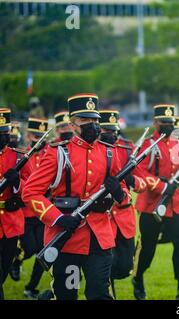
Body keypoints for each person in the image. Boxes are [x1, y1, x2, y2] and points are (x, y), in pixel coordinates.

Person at [22, 93, 131, 300]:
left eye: (94, 120)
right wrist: (57, 218)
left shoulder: (110, 153)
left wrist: (119, 193)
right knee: (67, 294)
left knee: (99, 294)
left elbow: (125, 196)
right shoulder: (58, 153)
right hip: (67, 237)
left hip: (100, 237)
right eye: (85, 120)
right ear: (72, 125)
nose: (92, 124)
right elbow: (31, 192)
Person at [132, 104, 179, 300]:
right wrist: (160, 186)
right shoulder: (149, 145)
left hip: (178, 201)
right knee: (148, 246)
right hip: (152, 203)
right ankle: (138, 277)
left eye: (170, 122)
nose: (167, 125)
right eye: (163, 122)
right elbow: (138, 170)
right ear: (155, 122)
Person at [98, 109, 146, 298]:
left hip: (124, 217)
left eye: (114, 131)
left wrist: (132, 180)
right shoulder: (93, 153)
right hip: (102, 218)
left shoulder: (127, 149)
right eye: (107, 131)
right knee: (105, 267)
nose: (112, 135)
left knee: (125, 267)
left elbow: (143, 185)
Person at [19, 117, 49, 299]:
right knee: (29, 249)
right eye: (35, 135)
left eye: (42, 136)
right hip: (25, 213)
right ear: (29, 135)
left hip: (42, 213)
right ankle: (16, 259)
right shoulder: (22, 155)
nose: (39, 139)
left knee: (42, 253)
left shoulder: (50, 154)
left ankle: (31, 287)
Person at [0, 107, 25, 300]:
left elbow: (32, 190)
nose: (3, 136)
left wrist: (17, 183)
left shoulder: (18, 157)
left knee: (4, 269)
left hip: (10, 223)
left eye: (5, 133)